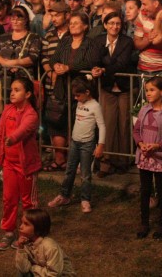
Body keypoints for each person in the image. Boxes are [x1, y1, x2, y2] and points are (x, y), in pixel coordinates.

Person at [0, 78, 42, 251]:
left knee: (28, 202)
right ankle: (9, 231)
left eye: (17, 90)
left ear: (28, 94)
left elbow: (23, 129)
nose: (12, 93)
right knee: (9, 199)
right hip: (9, 164)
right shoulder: (8, 110)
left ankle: (29, 234)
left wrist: (12, 138)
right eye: (11, 89)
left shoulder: (31, 114)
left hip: (26, 166)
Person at [48, 77, 106, 213]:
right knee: (69, 170)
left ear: (87, 92)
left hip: (87, 144)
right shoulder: (80, 103)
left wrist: (100, 145)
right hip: (75, 142)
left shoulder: (95, 106)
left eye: (78, 95)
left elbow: (102, 126)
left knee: (85, 174)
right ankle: (64, 195)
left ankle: (85, 199)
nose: (75, 98)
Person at [90, 11, 135, 176]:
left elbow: (122, 63)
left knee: (124, 124)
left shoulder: (127, 41)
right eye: (111, 23)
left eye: (117, 24)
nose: (114, 27)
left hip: (124, 87)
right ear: (105, 25)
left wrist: (103, 68)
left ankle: (123, 161)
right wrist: (96, 68)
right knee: (107, 124)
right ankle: (106, 163)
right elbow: (94, 59)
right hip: (107, 87)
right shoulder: (98, 40)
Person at [133, 76, 162, 240]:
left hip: (159, 158)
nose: (148, 93)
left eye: (152, 90)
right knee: (145, 190)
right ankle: (144, 223)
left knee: (161, 191)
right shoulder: (144, 110)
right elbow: (136, 131)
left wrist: (158, 146)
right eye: (147, 90)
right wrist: (140, 144)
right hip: (144, 156)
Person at [47, 11, 93, 169]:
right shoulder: (65, 41)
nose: (72, 25)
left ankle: (77, 162)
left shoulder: (90, 43)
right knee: (58, 124)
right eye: (71, 23)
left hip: (80, 89)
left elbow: (89, 62)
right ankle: (59, 160)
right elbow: (53, 58)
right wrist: (56, 65)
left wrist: (69, 67)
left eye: (76, 23)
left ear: (85, 26)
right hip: (61, 88)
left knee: (78, 125)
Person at [15, 209, 76, 277]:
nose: (20, 227)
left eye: (26, 224)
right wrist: (20, 248)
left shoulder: (50, 246)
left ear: (38, 228)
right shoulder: (25, 243)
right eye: (22, 222)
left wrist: (33, 268)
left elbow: (54, 274)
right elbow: (24, 270)